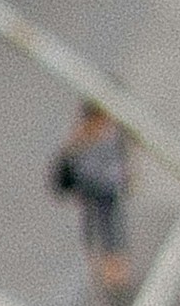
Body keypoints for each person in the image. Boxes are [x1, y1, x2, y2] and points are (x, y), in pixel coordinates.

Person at [50, 103, 134, 296]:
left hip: (107, 187)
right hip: (92, 188)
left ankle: (114, 269)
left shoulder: (112, 131)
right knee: (99, 227)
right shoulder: (83, 135)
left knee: (110, 226)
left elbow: (123, 156)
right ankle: (109, 269)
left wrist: (127, 174)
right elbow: (70, 161)